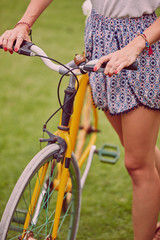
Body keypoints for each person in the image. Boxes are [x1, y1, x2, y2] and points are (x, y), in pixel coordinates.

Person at [0, 1, 160, 239]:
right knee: (135, 148)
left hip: (141, 45)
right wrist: (24, 23)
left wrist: (134, 46)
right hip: (99, 37)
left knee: (137, 164)